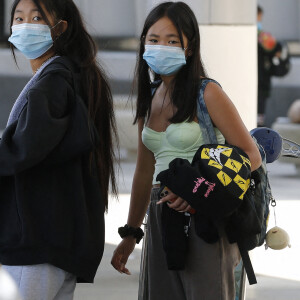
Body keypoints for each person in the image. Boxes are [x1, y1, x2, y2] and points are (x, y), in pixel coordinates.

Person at [111, 2, 261, 300]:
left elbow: (250, 155)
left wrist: (195, 189)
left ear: (189, 48)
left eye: (172, 41)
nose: (160, 47)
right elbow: (143, 171)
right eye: (153, 40)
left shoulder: (207, 93)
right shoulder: (150, 98)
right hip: (159, 215)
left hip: (203, 216)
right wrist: (131, 233)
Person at [1, 0, 118, 299]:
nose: (25, 25)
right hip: (59, 238)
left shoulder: (53, 83)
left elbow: (23, 150)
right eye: (19, 17)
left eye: (37, 17)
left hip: (38, 239)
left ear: (60, 28)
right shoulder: (74, 75)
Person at [257, 5, 282, 126]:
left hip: (262, 84)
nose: (259, 21)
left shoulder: (264, 37)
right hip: (260, 83)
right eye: (258, 17)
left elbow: (276, 49)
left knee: (259, 117)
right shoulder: (261, 37)